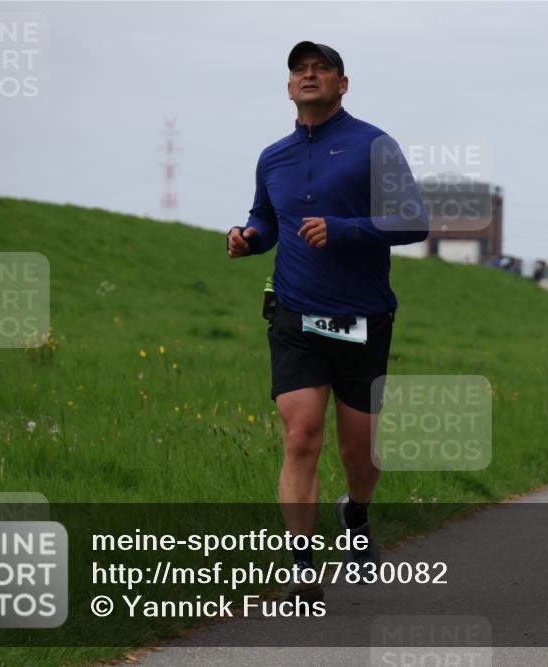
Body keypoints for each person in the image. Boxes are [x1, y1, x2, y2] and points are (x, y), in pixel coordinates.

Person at [227, 41, 429, 601]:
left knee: (359, 454)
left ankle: (356, 512)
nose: (309, 75)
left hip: (363, 318)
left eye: (321, 68)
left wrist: (344, 229)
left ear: (343, 83)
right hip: (295, 315)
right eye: (300, 69)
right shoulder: (273, 157)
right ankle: (301, 566)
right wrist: (248, 238)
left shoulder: (374, 145)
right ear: (289, 86)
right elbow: (266, 218)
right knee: (300, 438)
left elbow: (414, 221)